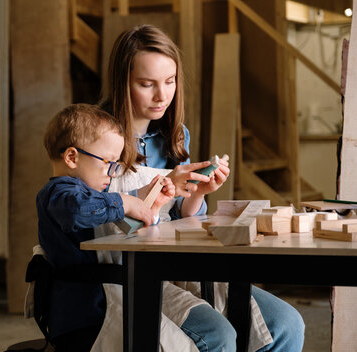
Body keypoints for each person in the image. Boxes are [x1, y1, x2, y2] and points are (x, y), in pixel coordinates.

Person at [99, 24, 305, 351]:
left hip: (177, 261)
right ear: (122, 82)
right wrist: (161, 188)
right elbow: (94, 216)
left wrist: (198, 192)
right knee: (218, 335)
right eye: (146, 84)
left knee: (286, 323)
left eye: (170, 82)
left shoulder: (175, 134)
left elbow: (182, 216)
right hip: (124, 270)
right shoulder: (94, 135)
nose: (162, 96)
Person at [37, 103, 176, 351]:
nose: (112, 173)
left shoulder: (91, 196)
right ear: (71, 157)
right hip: (82, 320)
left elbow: (111, 232)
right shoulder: (59, 193)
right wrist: (124, 200)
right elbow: (78, 210)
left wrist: (149, 208)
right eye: (108, 163)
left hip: (106, 307)